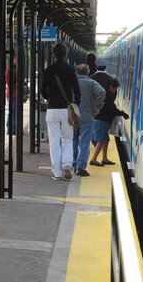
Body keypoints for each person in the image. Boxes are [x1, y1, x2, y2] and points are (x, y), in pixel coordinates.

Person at [40, 43, 81, 181]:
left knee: (54, 140)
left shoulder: (48, 70)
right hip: (66, 110)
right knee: (67, 139)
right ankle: (68, 164)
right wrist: (75, 103)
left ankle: (56, 172)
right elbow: (77, 90)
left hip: (52, 110)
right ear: (66, 55)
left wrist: (49, 97)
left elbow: (42, 90)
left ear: (54, 55)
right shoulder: (70, 70)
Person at [73, 64, 105, 177]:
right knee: (84, 143)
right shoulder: (92, 83)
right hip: (87, 116)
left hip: (72, 115)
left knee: (73, 141)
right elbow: (101, 92)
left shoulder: (72, 81)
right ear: (87, 72)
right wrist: (98, 107)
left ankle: (73, 165)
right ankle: (81, 168)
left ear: (76, 72)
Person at [89, 78, 129, 166]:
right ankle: (93, 159)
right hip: (101, 120)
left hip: (103, 120)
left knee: (105, 140)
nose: (115, 90)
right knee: (102, 140)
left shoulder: (106, 93)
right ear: (111, 86)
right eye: (115, 88)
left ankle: (104, 158)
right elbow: (111, 108)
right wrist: (122, 113)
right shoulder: (106, 95)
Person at [6, 52, 17, 135]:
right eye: (16, 58)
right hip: (12, 94)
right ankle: (11, 128)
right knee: (12, 111)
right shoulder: (10, 69)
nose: (17, 60)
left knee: (13, 111)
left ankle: (11, 127)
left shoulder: (13, 68)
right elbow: (9, 81)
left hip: (13, 93)